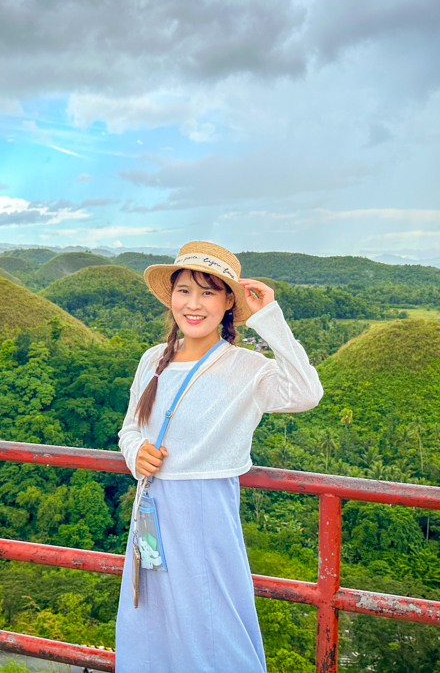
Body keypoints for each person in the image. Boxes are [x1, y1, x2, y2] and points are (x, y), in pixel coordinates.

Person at [115, 241, 324, 673]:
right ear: (170, 296)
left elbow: (307, 393)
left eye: (208, 292)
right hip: (151, 513)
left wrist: (270, 317)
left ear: (229, 301)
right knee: (151, 623)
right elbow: (130, 427)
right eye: (184, 291)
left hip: (206, 514)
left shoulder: (246, 367)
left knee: (212, 625)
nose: (193, 304)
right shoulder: (153, 359)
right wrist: (136, 453)